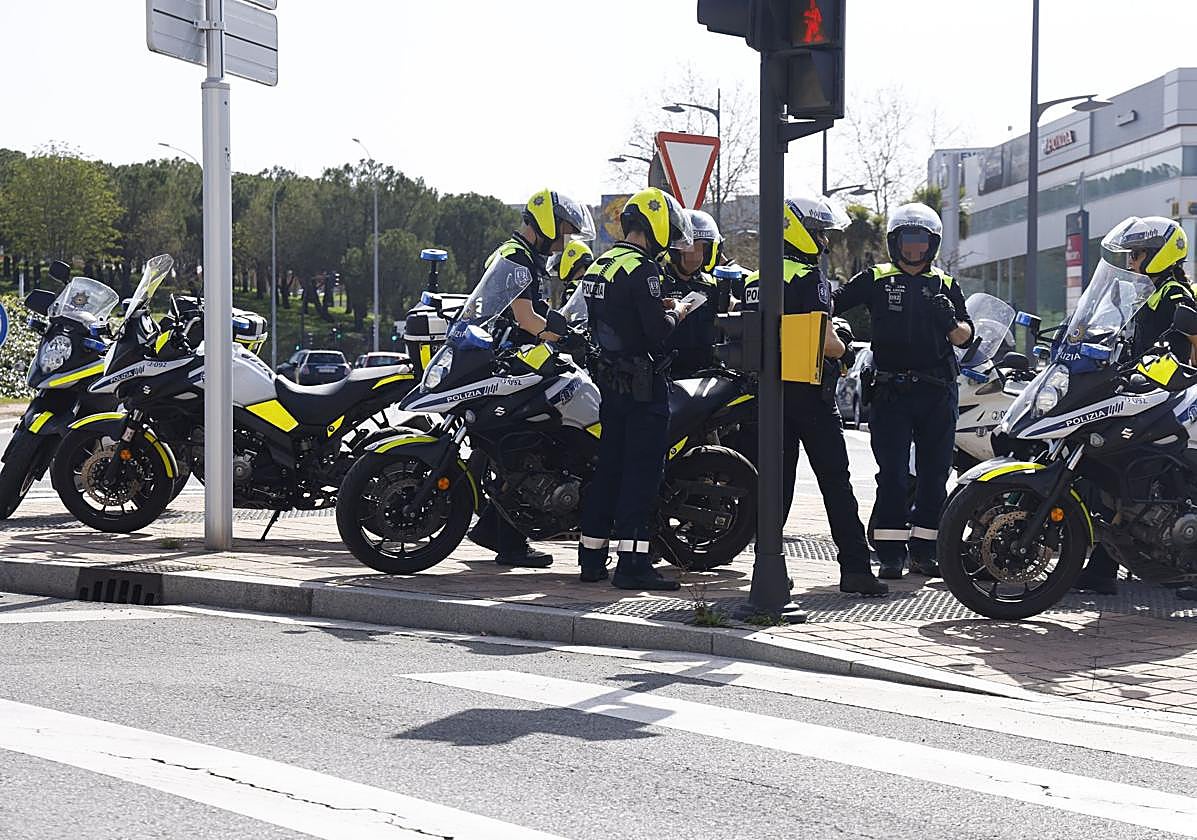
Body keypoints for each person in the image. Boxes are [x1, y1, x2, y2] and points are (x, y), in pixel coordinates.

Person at [742, 195, 888, 596]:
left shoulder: (756, 279)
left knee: (775, 487)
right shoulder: (809, 278)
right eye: (819, 233)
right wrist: (845, 344)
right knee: (836, 483)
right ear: (799, 231)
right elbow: (825, 342)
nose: (824, 241)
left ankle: (767, 567)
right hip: (808, 393)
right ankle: (855, 569)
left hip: (767, 395)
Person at [833, 203, 973, 580]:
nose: (914, 250)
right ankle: (890, 554)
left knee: (934, 476)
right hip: (890, 391)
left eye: (921, 243)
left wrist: (950, 321)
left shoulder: (945, 284)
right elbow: (829, 302)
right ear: (894, 243)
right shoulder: (876, 278)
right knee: (892, 475)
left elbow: (966, 337)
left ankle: (925, 552)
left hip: (937, 392)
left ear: (933, 245)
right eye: (907, 242)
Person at [468, 189, 596, 568]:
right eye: (563, 231)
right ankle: (508, 539)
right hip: (514, 366)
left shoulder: (516, 255)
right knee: (530, 452)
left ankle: (496, 531)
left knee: (520, 454)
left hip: (511, 364)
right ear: (546, 223)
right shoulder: (518, 258)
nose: (563, 242)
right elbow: (525, 318)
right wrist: (563, 337)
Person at [577, 188, 696, 590]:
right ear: (654, 223)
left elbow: (612, 319)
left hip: (610, 385)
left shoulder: (602, 263)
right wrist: (678, 311)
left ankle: (592, 558)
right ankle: (632, 564)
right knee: (641, 475)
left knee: (608, 469)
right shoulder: (644, 269)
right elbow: (657, 332)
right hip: (643, 388)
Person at [1076, 216, 1197, 595]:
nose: (1131, 262)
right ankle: (1102, 566)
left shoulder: (1176, 296)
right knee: (1114, 473)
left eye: (1138, 254)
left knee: (1152, 475)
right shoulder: (1149, 293)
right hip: (1140, 395)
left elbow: (1179, 350)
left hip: (1167, 400)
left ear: (1161, 254)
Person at [662, 209, 721, 378]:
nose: (695, 254)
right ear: (675, 250)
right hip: (668, 375)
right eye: (689, 246)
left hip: (706, 374)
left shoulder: (712, 284)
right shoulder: (658, 281)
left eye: (701, 247)